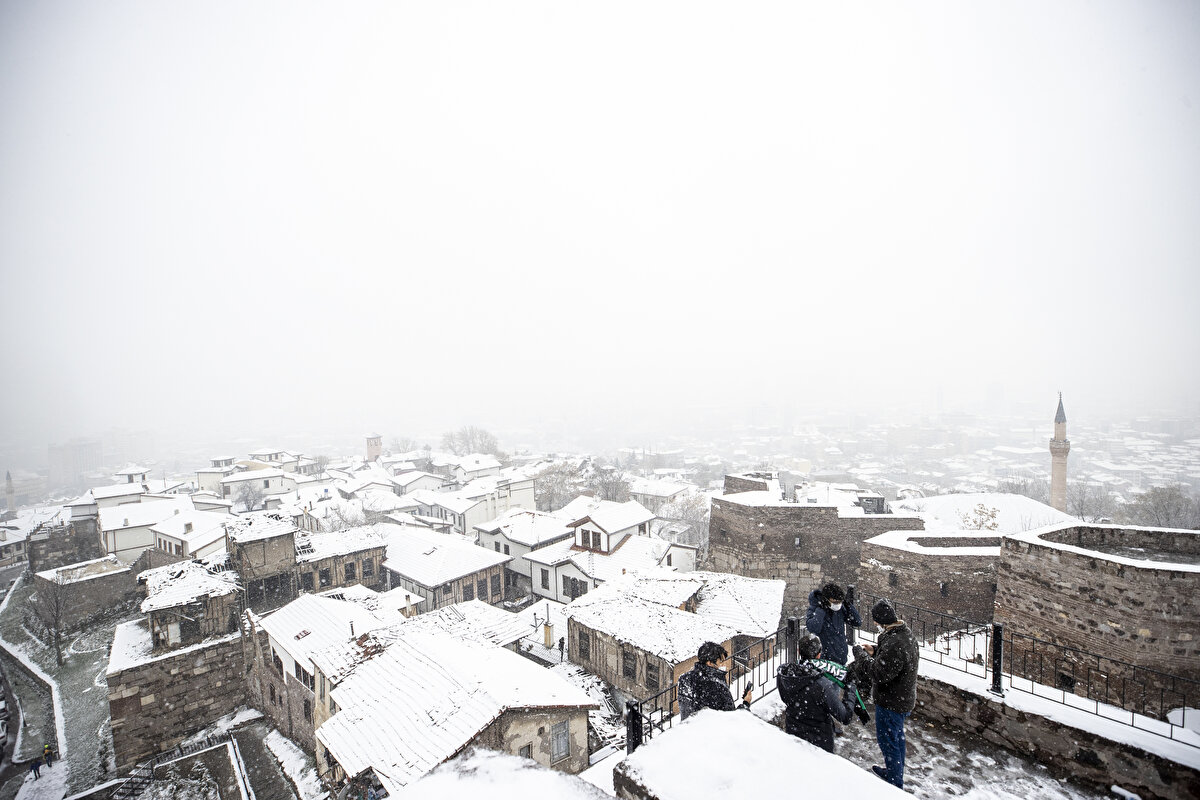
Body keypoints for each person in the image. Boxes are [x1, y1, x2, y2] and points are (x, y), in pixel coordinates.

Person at [853, 598, 919, 790]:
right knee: (897, 738)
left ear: (882, 621)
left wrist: (861, 655)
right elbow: (891, 662)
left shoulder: (895, 643)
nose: (875, 625)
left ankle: (894, 783)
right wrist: (875, 651)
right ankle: (893, 771)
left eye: (876, 622)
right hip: (902, 698)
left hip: (892, 701)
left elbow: (878, 673)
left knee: (889, 741)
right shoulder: (903, 635)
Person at [776, 633, 856, 752]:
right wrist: (851, 689)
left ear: (799, 651)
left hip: (792, 731)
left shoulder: (784, 675)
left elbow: (786, 698)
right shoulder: (822, 685)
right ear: (819, 655)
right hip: (819, 740)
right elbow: (845, 716)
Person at [678, 641, 752, 720]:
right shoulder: (718, 685)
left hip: (689, 730)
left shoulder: (684, 679)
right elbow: (731, 720)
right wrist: (746, 703)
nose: (722, 664)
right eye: (720, 661)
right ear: (709, 663)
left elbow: (688, 714)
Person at [806, 582, 861, 665]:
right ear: (826, 599)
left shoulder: (840, 609)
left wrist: (848, 605)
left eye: (839, 602)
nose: (837, 605)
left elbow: (857, 622)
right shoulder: (816, 609)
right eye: (834, 602)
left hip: (841, 657)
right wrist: (821, 611)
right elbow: (814, 628)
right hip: (825, 660)